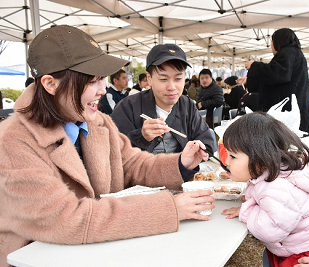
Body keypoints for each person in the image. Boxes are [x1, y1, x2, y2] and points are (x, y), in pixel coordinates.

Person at [0, 25, 214, 267]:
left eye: (102, 79)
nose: (103, 89)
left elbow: (133, 163)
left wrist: (180, 163)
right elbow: (67, 219)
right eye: (93, 81)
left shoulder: (97, 121)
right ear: (50, 84)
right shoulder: (13, 141)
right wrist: (167, 208)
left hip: (98, 251)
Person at [221, 113, 309, 267]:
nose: (226, 162)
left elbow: (269, 230)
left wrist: (246, 212)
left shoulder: (277, 189)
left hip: (305, 256)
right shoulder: (277, 169)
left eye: (233, 156)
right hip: (306, 240)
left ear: (260, 159)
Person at [111, 43, 214, 155]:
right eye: (163, 79)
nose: (172, 87)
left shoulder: (187, 105)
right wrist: (141, 137)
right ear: (149, 78)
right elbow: (114, 153)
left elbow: (207, 143)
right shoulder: (128, 107)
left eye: (178, 79)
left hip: (182, 171)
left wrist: (199, 150)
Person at [237, 28, 309, 134]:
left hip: (287, 114)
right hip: (293, 112)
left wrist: (254, 66)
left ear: (278, 41)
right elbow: (275, 81)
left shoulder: (288, 53)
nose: (271, 45)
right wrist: (249, 81)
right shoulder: (295, 54)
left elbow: (279, 74)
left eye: (272, 41)